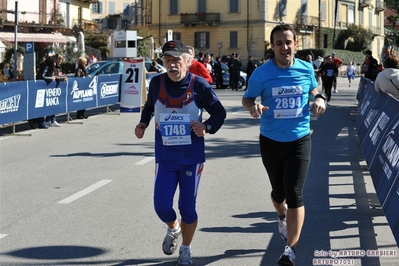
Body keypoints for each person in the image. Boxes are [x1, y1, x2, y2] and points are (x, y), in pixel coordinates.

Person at [135, 40, 226, 266]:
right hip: (165, 158)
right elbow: (149, 106)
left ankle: (186, 248)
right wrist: (143, 124)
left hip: (191, 159)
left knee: (187, 208)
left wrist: (206, 127)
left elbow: (219, 112)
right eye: (168, 60)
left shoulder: (200, 85)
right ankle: (173, 228)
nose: (172, 64)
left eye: (176, 60)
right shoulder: (157, 83)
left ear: (187, 60)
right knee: (162, 206)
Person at [241, 24, 326, 266]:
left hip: (299, 139)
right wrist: (253, 107)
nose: (284, 47)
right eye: (279, 43)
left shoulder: (306, 68)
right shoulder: (261, 73)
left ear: (295, 44)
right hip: (270, 140)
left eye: (288, 42)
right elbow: (247, 98)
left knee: (295, 193)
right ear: (272, 46)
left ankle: (291, 249)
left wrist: (319, 98)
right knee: (279, 195)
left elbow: (313, 90)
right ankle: (280, 214)